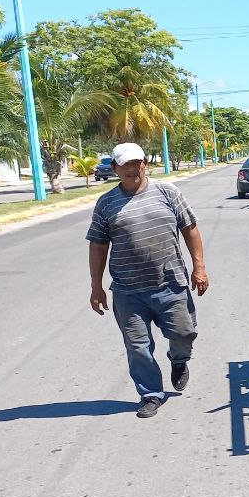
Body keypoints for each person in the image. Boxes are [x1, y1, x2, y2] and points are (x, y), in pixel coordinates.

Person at [87, 142, 209, 419]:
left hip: (171, 284)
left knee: (183, 334)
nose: (133, 169)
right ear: (115, 169)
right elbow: (98, 245)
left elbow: (190, 228)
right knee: (137, 346)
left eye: (138, 163)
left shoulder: (168, 192)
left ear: (146, 164)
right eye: (126, 165)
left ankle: (179, 361)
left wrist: (198, 267)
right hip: (128, 291)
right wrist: (96, 286)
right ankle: (151, 393)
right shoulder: (106, 203)